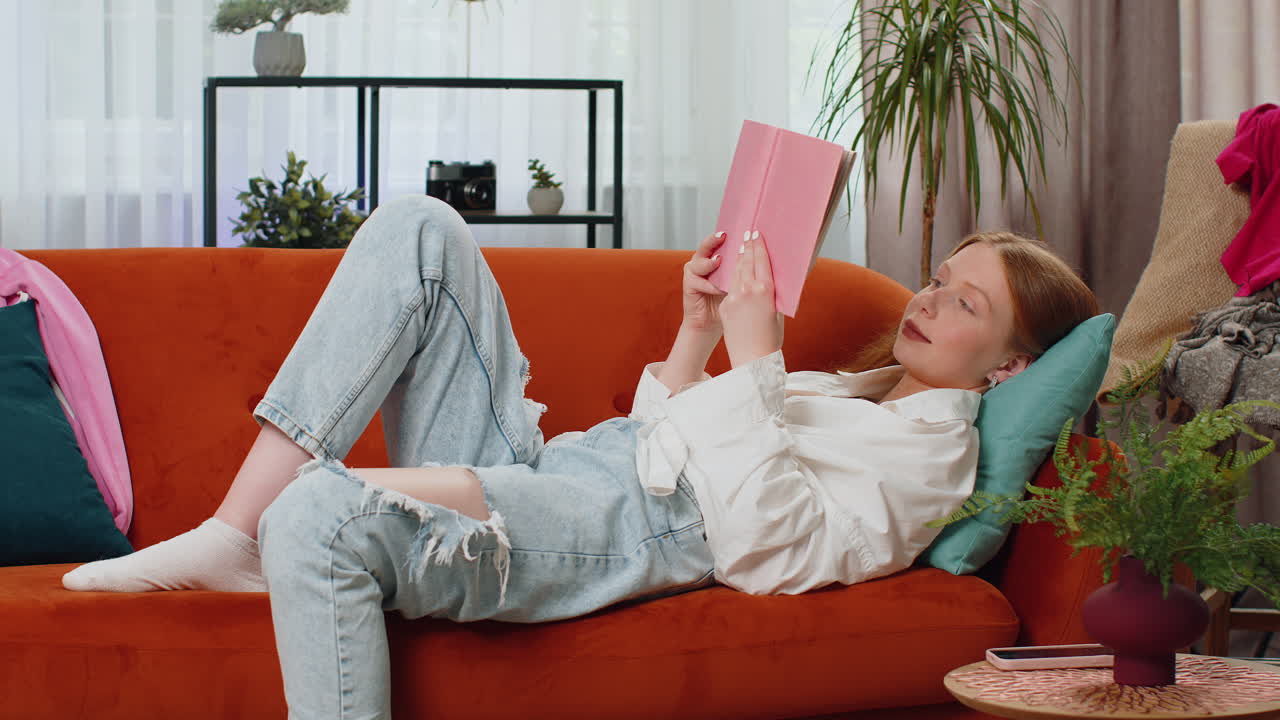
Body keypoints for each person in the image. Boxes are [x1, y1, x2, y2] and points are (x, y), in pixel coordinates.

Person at [61, 196, 1098, 717]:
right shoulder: (855, 391)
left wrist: (753, 355)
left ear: (1011, 367)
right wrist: (696, 335)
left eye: (965, 302)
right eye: (936, 277)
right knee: (419, 227)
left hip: (620, 524)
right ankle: (231, 534)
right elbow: (682, 422)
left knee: (320, 517)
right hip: (574, 464)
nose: (924, 299)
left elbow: (770, 548)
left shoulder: (932, 455)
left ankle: (265, 532)